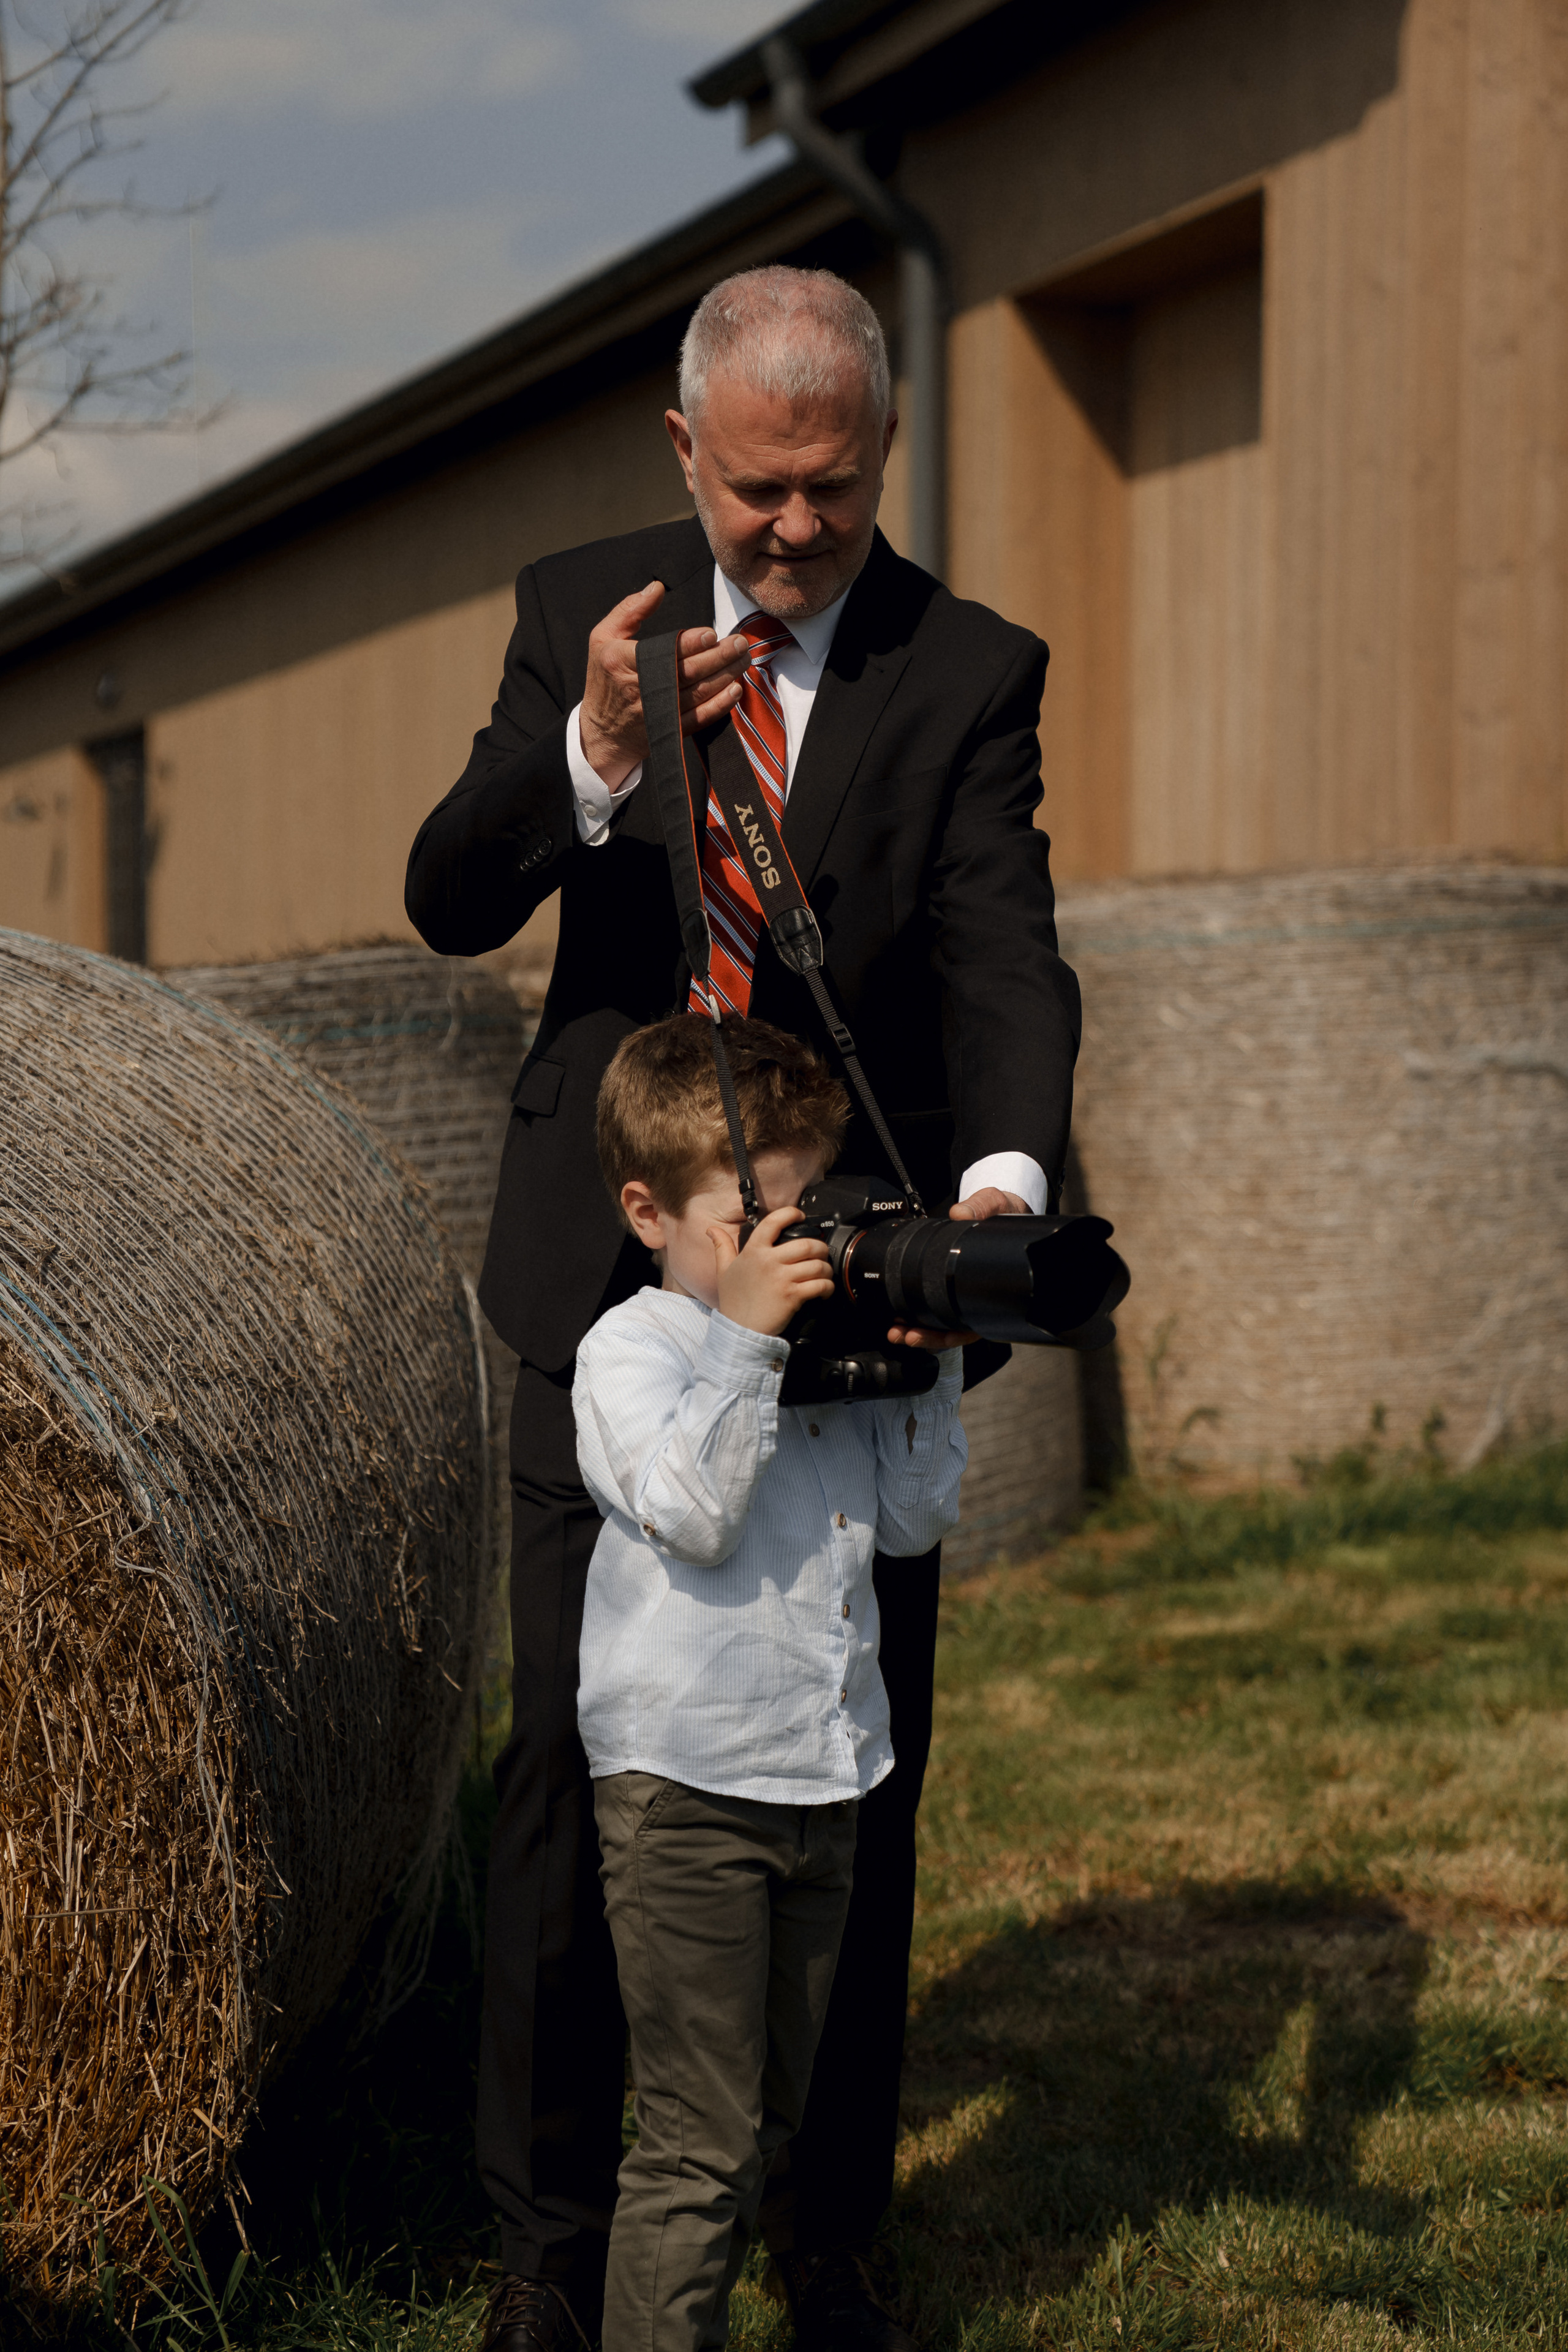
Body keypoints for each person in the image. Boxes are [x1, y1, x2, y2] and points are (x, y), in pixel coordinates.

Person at [405, 263, 1080, 2352]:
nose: (797, 530)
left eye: (839, 487)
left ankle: (830, 2225)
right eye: (762, 488)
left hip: (837, 1282)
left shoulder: (961, 667)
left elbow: (1004, 959)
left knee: (844, 1761)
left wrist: (999, 1190)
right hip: (598, 1276)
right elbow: (450, 895)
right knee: (564, 1774)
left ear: (880, 455)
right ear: (685, 451)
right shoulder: (579, 609)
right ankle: (550, 2246)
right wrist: (595, 764)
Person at [576, 1013, 967, 2352]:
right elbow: (689, 1511)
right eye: (754, 1220)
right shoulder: (634, 1354)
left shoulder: (826, 1339)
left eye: (811, 1212)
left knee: (767, 2125)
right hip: (684, 1789)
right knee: (695, 2150)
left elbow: (912, 1522)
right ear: (649, 1212)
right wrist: (745, 1342)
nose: (794, 1249)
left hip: (824, 1776)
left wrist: (927, 1369)